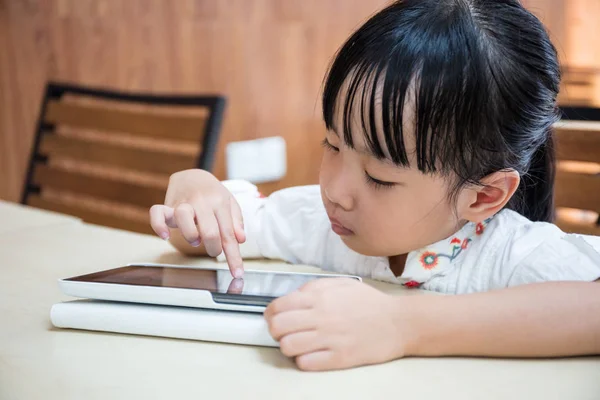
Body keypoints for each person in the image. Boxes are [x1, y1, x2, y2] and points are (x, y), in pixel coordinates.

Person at [150, 0, 600, 371]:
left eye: (379, 177)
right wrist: (197, 191)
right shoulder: (317, 220)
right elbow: (205, 238)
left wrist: (402, 325)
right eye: (332, 145)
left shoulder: (513, 257)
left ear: (482, 196)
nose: (334, 190)